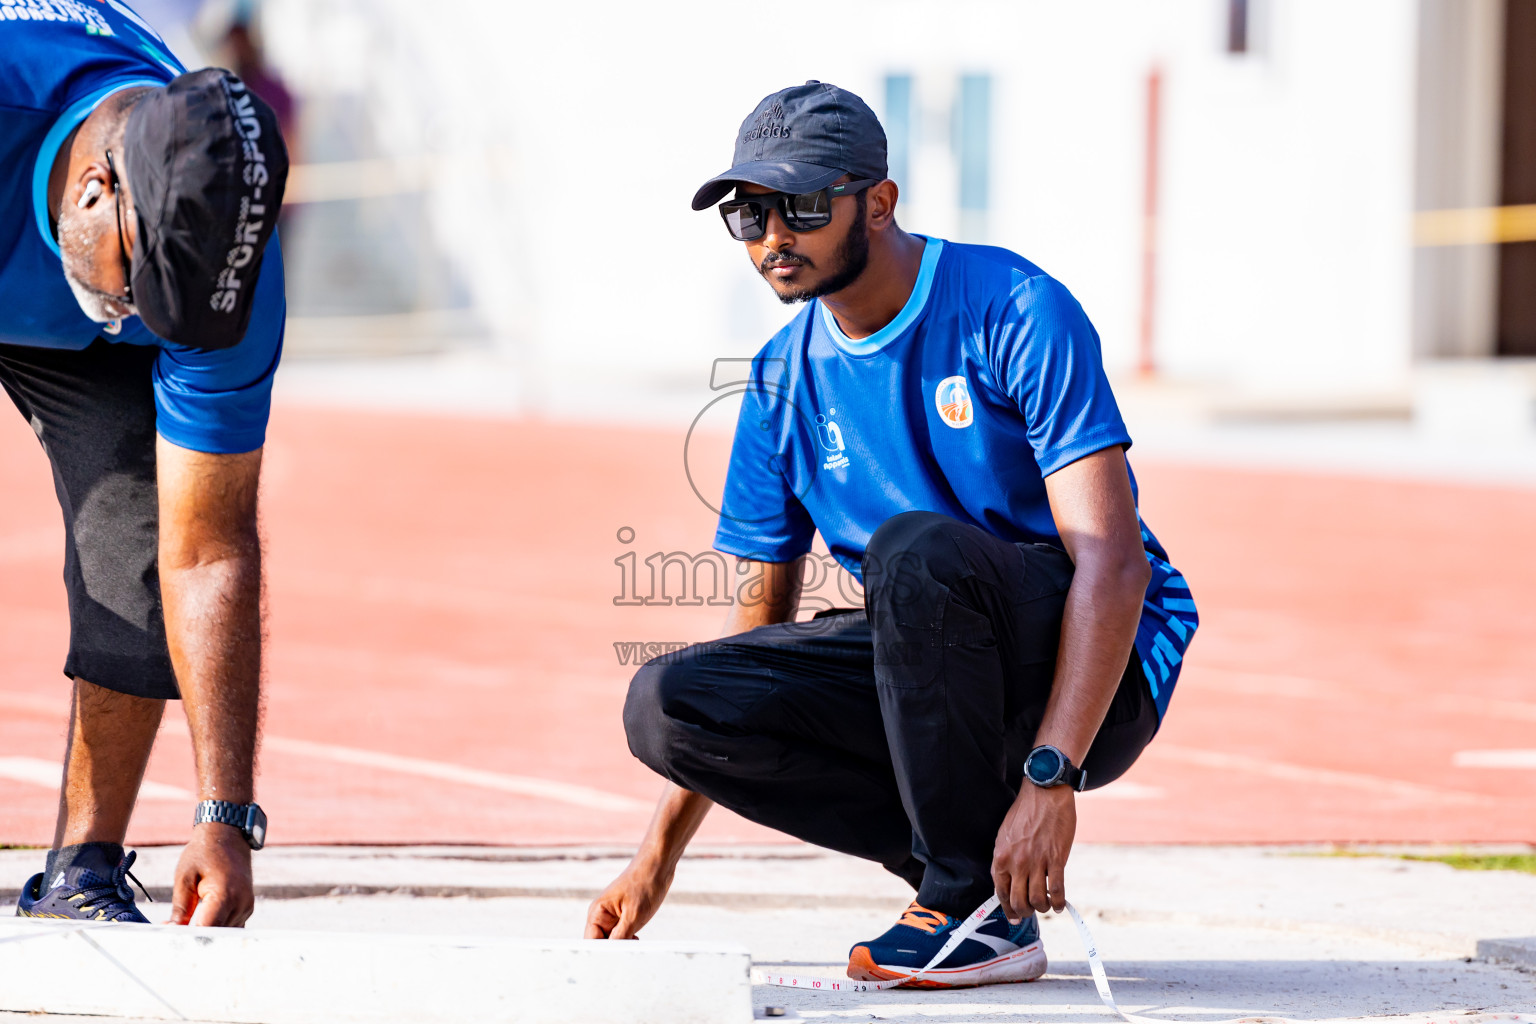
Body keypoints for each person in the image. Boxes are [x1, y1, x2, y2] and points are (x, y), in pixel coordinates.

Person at [586, 82, 1198, 987]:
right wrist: (659, 856)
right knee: (670, 703)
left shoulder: (1013, 306)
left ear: (877, 202)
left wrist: (1051, 778)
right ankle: (974, 883)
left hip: (1098, 665)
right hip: (937, 650)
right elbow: (756, 637)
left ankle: (966, 907)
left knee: (914, 552)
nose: (771, 237)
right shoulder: (777, 382)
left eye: (800, 205)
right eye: (748, 213)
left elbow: (1111, 563)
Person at [3, 3, 289, 927]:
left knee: (138, 554)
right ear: (93, 189)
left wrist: (224, 813)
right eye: (139, 287)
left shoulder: (226, 246)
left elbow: (208, 550)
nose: (140, 317)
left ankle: (82, 869)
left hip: (55, 310)